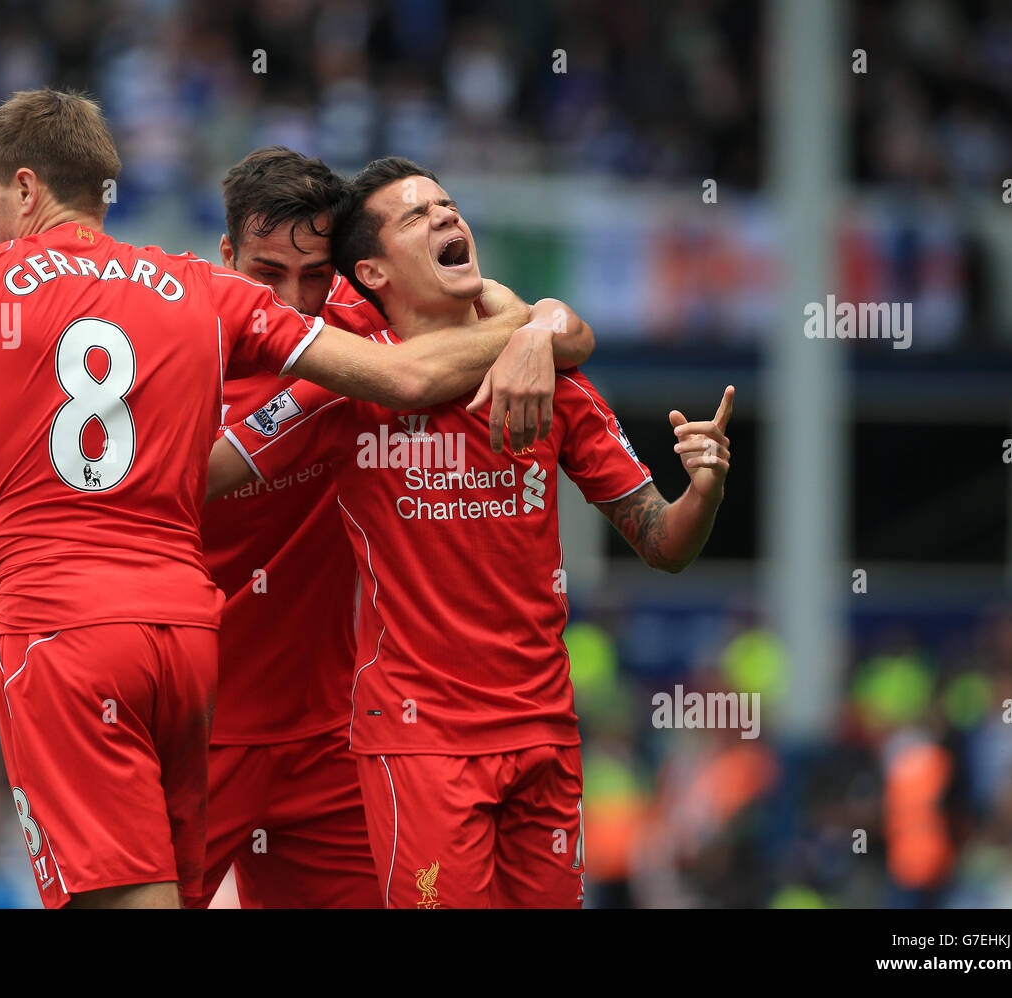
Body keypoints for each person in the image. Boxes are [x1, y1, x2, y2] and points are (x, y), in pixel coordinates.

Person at [0, 91, 565, 909]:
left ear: (29, 188)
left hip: (210, 691)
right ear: (229, 256)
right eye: (271, 273)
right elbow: (409, 377)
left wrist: (539, 329)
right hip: (192, 664)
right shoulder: (204, 302)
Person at [206, 157, 735, 907]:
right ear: (373, 273)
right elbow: (206, 473)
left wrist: (704, 493)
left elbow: (664, 543)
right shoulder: (345, 377)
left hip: (544, 734)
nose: (445, 219)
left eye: (448, 206)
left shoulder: (555, 378)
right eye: (417, 217)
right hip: (413, 743)